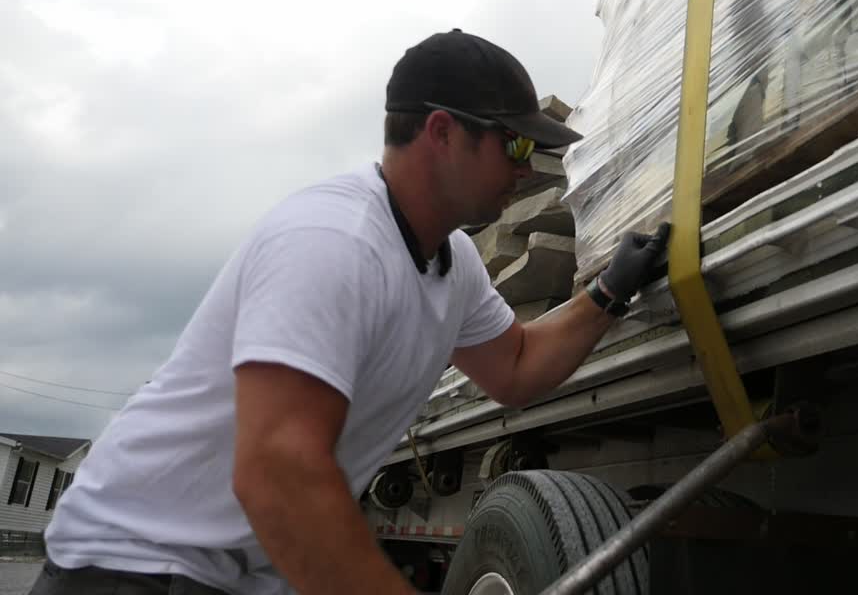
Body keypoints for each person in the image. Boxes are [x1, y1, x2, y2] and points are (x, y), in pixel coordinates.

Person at [32, 29, 670, 595]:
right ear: (442, 132)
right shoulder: (332, 241)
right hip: (132, 567)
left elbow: (516, 366)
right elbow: (278, 473)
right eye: (515, 144)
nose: (529, 169)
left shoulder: (453, 262)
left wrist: (609, 291)